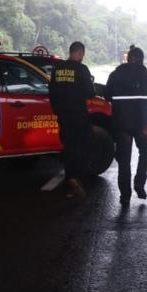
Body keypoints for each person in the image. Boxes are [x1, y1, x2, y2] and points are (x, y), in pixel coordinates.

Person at [105, 45, 147, 206]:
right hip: (143, 123)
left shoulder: (115, 74)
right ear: (141, 60)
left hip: (121, 123)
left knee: (124, 160)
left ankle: (125, 196)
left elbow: (107, 95)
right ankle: (139, 182)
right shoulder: (145, 75)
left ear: (127, 59)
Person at [49, 41, 95, 198]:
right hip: (79, 115)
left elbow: (52, 92)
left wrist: (58, 111)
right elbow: (90, 92)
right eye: (82, 54)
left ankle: (70, 180)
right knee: (84, 146)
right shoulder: (82, 69)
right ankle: (78, 178)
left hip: (63, 116)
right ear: (80, 53)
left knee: (68, 147)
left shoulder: (57, 69)